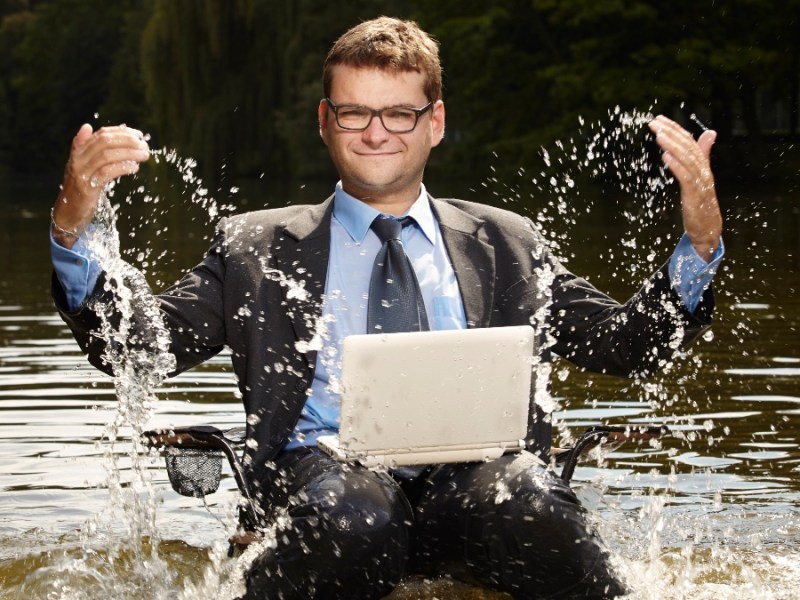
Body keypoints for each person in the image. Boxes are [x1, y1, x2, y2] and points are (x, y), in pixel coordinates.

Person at [50, 16, 723, 600]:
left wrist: (698, 248)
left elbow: (628, 344)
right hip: (322, 487)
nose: (376, 133)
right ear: (325, 121)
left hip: (476, 483)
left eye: (399, 113)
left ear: (434, 122)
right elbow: (140, 344)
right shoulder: (254, 247)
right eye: (354, 112)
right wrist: (74, 240)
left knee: (525, 498)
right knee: (356, 512)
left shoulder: (505, 242)